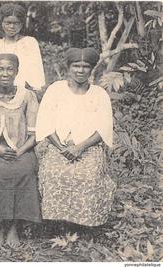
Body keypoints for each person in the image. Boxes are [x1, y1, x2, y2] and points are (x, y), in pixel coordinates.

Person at [36, 47, 116, 228]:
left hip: (89, 147)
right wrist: (62, 148)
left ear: (92, 68)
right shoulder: (56, 89)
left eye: (85, 66)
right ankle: (57, 224)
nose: (80, 70)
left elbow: (103, 128)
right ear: (68, 67)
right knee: (52, 173)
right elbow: (45, 122)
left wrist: (79, 147)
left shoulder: (99, 94)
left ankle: (84, 225)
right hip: (58, 146)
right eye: (76, 66)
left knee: (89, 175)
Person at [0, 53, 41, 247]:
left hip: (21, 150)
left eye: (10, 69)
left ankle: (13, 228)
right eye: (0, 69)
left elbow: (35, 133)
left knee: (25, 171)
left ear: (17, 71)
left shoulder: (27, 96)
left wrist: (20, 151)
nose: (5, 73)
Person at [0, 3, 45, 91]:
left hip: (22, 92)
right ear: (1, 23)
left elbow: (36, 72)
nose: (12, 27)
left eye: (16, 23)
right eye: (8, 23)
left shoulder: (30, 43)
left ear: (21, 24)